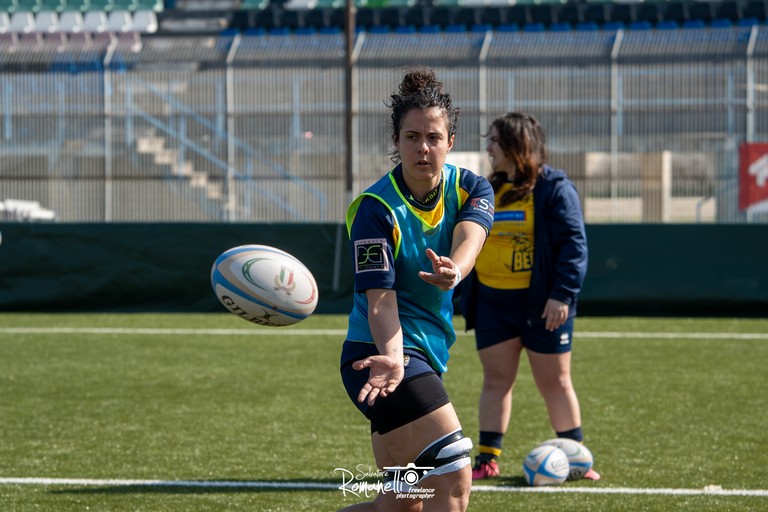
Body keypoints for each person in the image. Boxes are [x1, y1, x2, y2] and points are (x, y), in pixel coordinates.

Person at [339, 67, 494, 512]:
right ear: (396, 141)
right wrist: (392, 357)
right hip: (378, 359)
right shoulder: (375, 209)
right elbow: (380, 297)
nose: (422, 148)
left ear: (450, 141)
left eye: (433, 137)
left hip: (422, 358)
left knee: (403, 502)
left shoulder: (470, 187)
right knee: (454, 470)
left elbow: (471, 237)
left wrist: (456, 271)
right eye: (411, 137)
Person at [459, 112, 599, 481]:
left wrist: (562, 294)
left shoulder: (554, 188)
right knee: (495, 380)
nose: (487, 147)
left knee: (555, 382)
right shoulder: (484, 189)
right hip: (493, 304)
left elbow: (574, 244)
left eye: (494, 140)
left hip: (544, 306)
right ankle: (487, 460)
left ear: (516, 145)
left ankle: (578, 460)